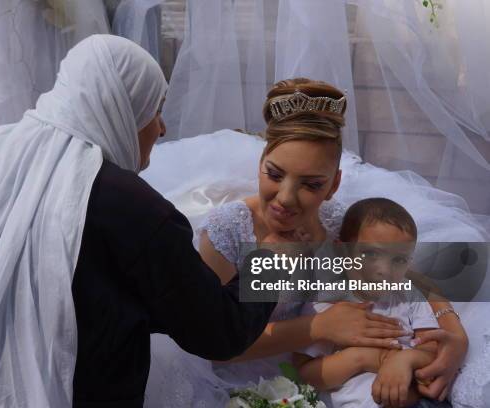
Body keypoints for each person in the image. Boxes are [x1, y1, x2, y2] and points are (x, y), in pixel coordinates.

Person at [0, 35, 276, 408]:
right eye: (155, 108)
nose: (162, 127)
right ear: (121, 107)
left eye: (314, 183)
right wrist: (281, 263)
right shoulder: (135, 208)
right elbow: (219, 332)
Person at [142, 78, 474, 407]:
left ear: (333, 185)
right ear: (261, 163)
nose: (285, 200)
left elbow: (401, 272)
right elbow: (211, 342)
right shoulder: (228, 231)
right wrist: (319, 326)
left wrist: (453, 332)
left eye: (311, 185)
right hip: (244, 375)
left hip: (324, 369)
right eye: (274, 174)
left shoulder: (334, 223)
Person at [294, 197, 448, 408]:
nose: (384, 270)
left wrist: (406, 360)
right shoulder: (325, 302)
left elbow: (433, 354)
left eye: (399, 260)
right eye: (371, 253)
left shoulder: (408, 295)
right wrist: (364, 358)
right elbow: (307, 374)